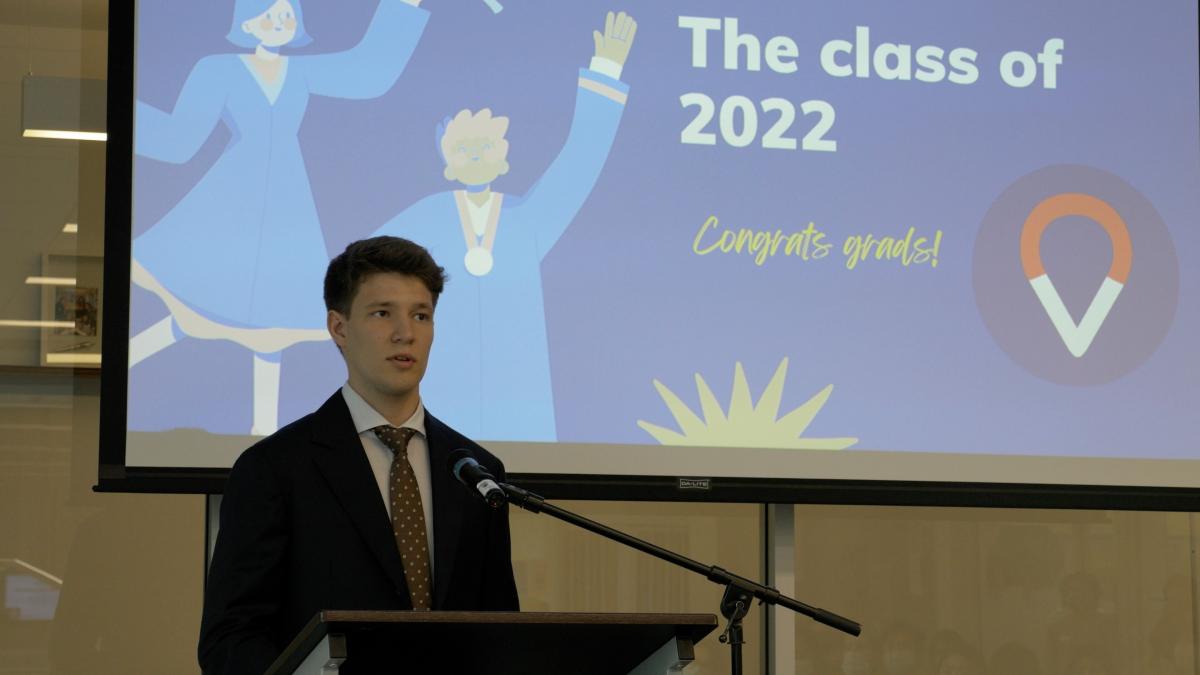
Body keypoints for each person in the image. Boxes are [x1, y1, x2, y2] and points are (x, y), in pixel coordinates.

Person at [199, 236, 520, 675]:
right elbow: (230, 639)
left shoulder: (474, 471)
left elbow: (500, 629)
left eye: (421, 315)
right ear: (339, 327)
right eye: (382, 313)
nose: (405, 332)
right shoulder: (274, 469)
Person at [131, 0, 431, 436]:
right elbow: (180, 139)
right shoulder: (220, 68)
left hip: (284, 203)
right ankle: (126, 369)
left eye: (286, 15)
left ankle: (263, 431)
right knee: (200, 302)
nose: (278, 23)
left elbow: (368, 72)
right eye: (267, 14)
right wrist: (119, 112)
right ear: (245, 21)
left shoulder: (299, 72)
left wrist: (403, 7)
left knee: (269, 320)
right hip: (233, 198)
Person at [374, 11, 638, 442]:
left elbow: (579, 163)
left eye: (485, 146)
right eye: (464, 149)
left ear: (504, 157)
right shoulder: (426, 217)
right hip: (441, 395)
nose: (476, 156)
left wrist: (605, 73)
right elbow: (358, 271)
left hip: (518, 400)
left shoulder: (527, 219)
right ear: (447, 163)